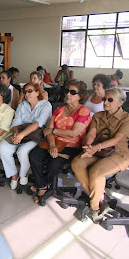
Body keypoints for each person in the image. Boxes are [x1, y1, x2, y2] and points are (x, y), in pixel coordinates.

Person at [71, 88, 129, 223]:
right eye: (104, 99)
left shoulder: (127, 118)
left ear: (120, 103)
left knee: (96, 172)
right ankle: (101, 198)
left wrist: (95, 147)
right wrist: (89, 145)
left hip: (118, 153)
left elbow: (117, 139)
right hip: (99, 150)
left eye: (110, 100)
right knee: (77, 162)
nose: (105, 102)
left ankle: (95, 208)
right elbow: (91, 133)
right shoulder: (98, 116)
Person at [29, 80, 91, 204]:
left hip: (71, 145)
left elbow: (73, 133)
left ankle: (43, 184)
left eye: (73, 92)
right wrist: (52, 145)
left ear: (81, 96)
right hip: (53, 142)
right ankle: (43, 185)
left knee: (54, 163)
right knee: (34, 155)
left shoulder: (83, 111)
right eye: (67, 91)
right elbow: (47, 131)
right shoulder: (59, 109)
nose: (68, 94)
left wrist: (53, 130)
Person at [0, 82, 52, 190]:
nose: (27, 94)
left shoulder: (46, 105)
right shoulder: (22, 105)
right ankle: (14, 174)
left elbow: (38, 124)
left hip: (36, 134)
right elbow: (15, 123)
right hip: (20, 132)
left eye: (30, 91)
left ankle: (24, 173)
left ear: (37, 92)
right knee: (2, 148)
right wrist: (16, 133)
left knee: (22, 151)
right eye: (25, 91)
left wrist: (20, 136)